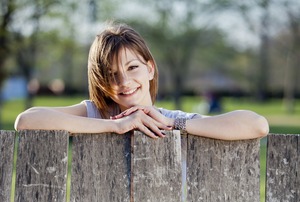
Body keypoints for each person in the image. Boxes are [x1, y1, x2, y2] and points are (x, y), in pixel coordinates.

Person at [15, 22, 269, 140]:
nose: (124, 81)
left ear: (150, 69)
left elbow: (257, 125)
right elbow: (27, 120)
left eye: (132, 67)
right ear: (101, 81)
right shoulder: (95, 113)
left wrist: (173, 123)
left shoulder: (170, 120)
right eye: (112, 74)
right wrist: (117, 125)